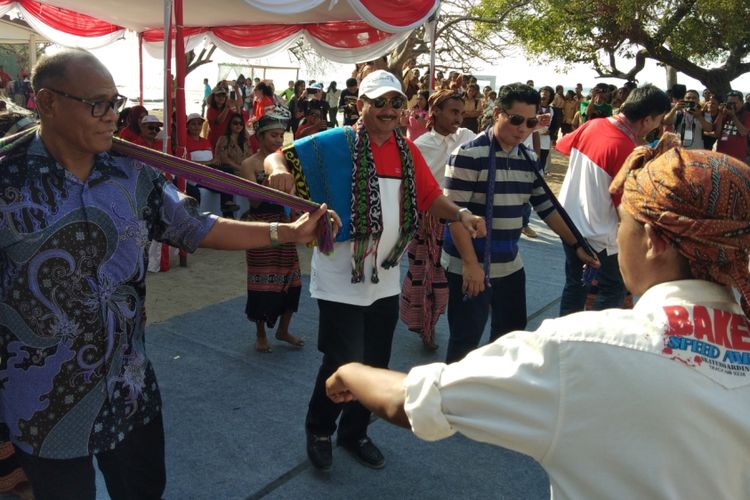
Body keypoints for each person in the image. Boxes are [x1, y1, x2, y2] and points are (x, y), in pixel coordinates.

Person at [326, 143, 750, 500]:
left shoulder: (584, 349)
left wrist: (350, 370)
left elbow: (417, 400)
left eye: (624, 223)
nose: (618, 238)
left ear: (655, 241)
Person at [0, 48, 334, 500]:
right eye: (97, 104)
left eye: (115, 102)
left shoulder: (133, 172)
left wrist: (287, 232)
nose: (111, 117)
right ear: (46, 102)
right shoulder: (7, 178)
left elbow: (196, 225)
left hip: (128, 388)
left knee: (143, 491)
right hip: (41, 403)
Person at [265, 69, 486, 472]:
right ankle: (319, 429)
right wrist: (276, 167)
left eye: (395, 102)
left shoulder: (407, 150)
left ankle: (354, 433)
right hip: (339, 277)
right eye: (379, 102)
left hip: (384, 275)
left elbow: (431, 196)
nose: (388, 110)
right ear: (360, 105)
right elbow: (279, 154)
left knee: (376, 363)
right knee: (342, 362)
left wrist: (461, 214)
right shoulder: (338, 142)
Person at [441, 82, 599, 364]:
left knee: (510, 337)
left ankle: (494, 394)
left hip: (510, 265)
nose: (523, 128)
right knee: (465, 342)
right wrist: (470, 265)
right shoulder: (468, 155)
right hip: (472, 267)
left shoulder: (528, 159)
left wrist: (577, 244)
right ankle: (452, 403)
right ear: (497, 113)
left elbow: (547, 207)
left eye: (531, 122)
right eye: (516, 120)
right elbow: (454, 214)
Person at [556, 84, 671, 316]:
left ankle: (565, 337)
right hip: (601, 235)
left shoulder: (594, 124)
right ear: (648, 119)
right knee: (614, 288)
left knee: (575, 285)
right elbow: (626, 206)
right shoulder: (627, 148)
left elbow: (562, 145)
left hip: (568, 223)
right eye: (659, 119)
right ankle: (595, 341)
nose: (658, 125)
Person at [401, 90, 476, 350]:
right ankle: (427, 327)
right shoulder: (421, 146)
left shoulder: (468, 139)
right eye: (454, 111)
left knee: (455, 279)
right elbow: (410, 187)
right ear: (436, 113)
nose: (459, 117)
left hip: (462, 220)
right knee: (427, 278)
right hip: (429, 222)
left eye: (462, 112)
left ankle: (454, 330)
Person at [237, 107, 305, 353]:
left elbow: (295, 194)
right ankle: (260, 334)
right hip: (260, 227)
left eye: (280, 135)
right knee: (261, 283)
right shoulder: (249, 164)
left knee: (292, 280)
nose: (278, 140)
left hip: (285, 225)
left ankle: (283, 330)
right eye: (273, 135)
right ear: (260, 137)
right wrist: (269, 181)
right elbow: (253, 202)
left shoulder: (286, 161)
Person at [213, 111, 253, 217]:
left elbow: (250, 157)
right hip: (232, 171)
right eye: (235, 123)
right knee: (228, 171)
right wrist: (241, 168)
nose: (238, 125)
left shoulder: (245, 141)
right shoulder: (224, 139)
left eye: (240, 123)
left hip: (244, 171)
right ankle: (228, 209)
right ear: (230, 125)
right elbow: (224, 159)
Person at [714, 90, 750, 161]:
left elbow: (744, 132)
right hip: (721, 155)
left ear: (742, 103)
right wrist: (720, 114)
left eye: (734, 103)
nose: (732, 105)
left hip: (738, 157)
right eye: (730, 103)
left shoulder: (747, 115)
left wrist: (733, 116)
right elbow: (717, 132)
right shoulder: (723, 114)